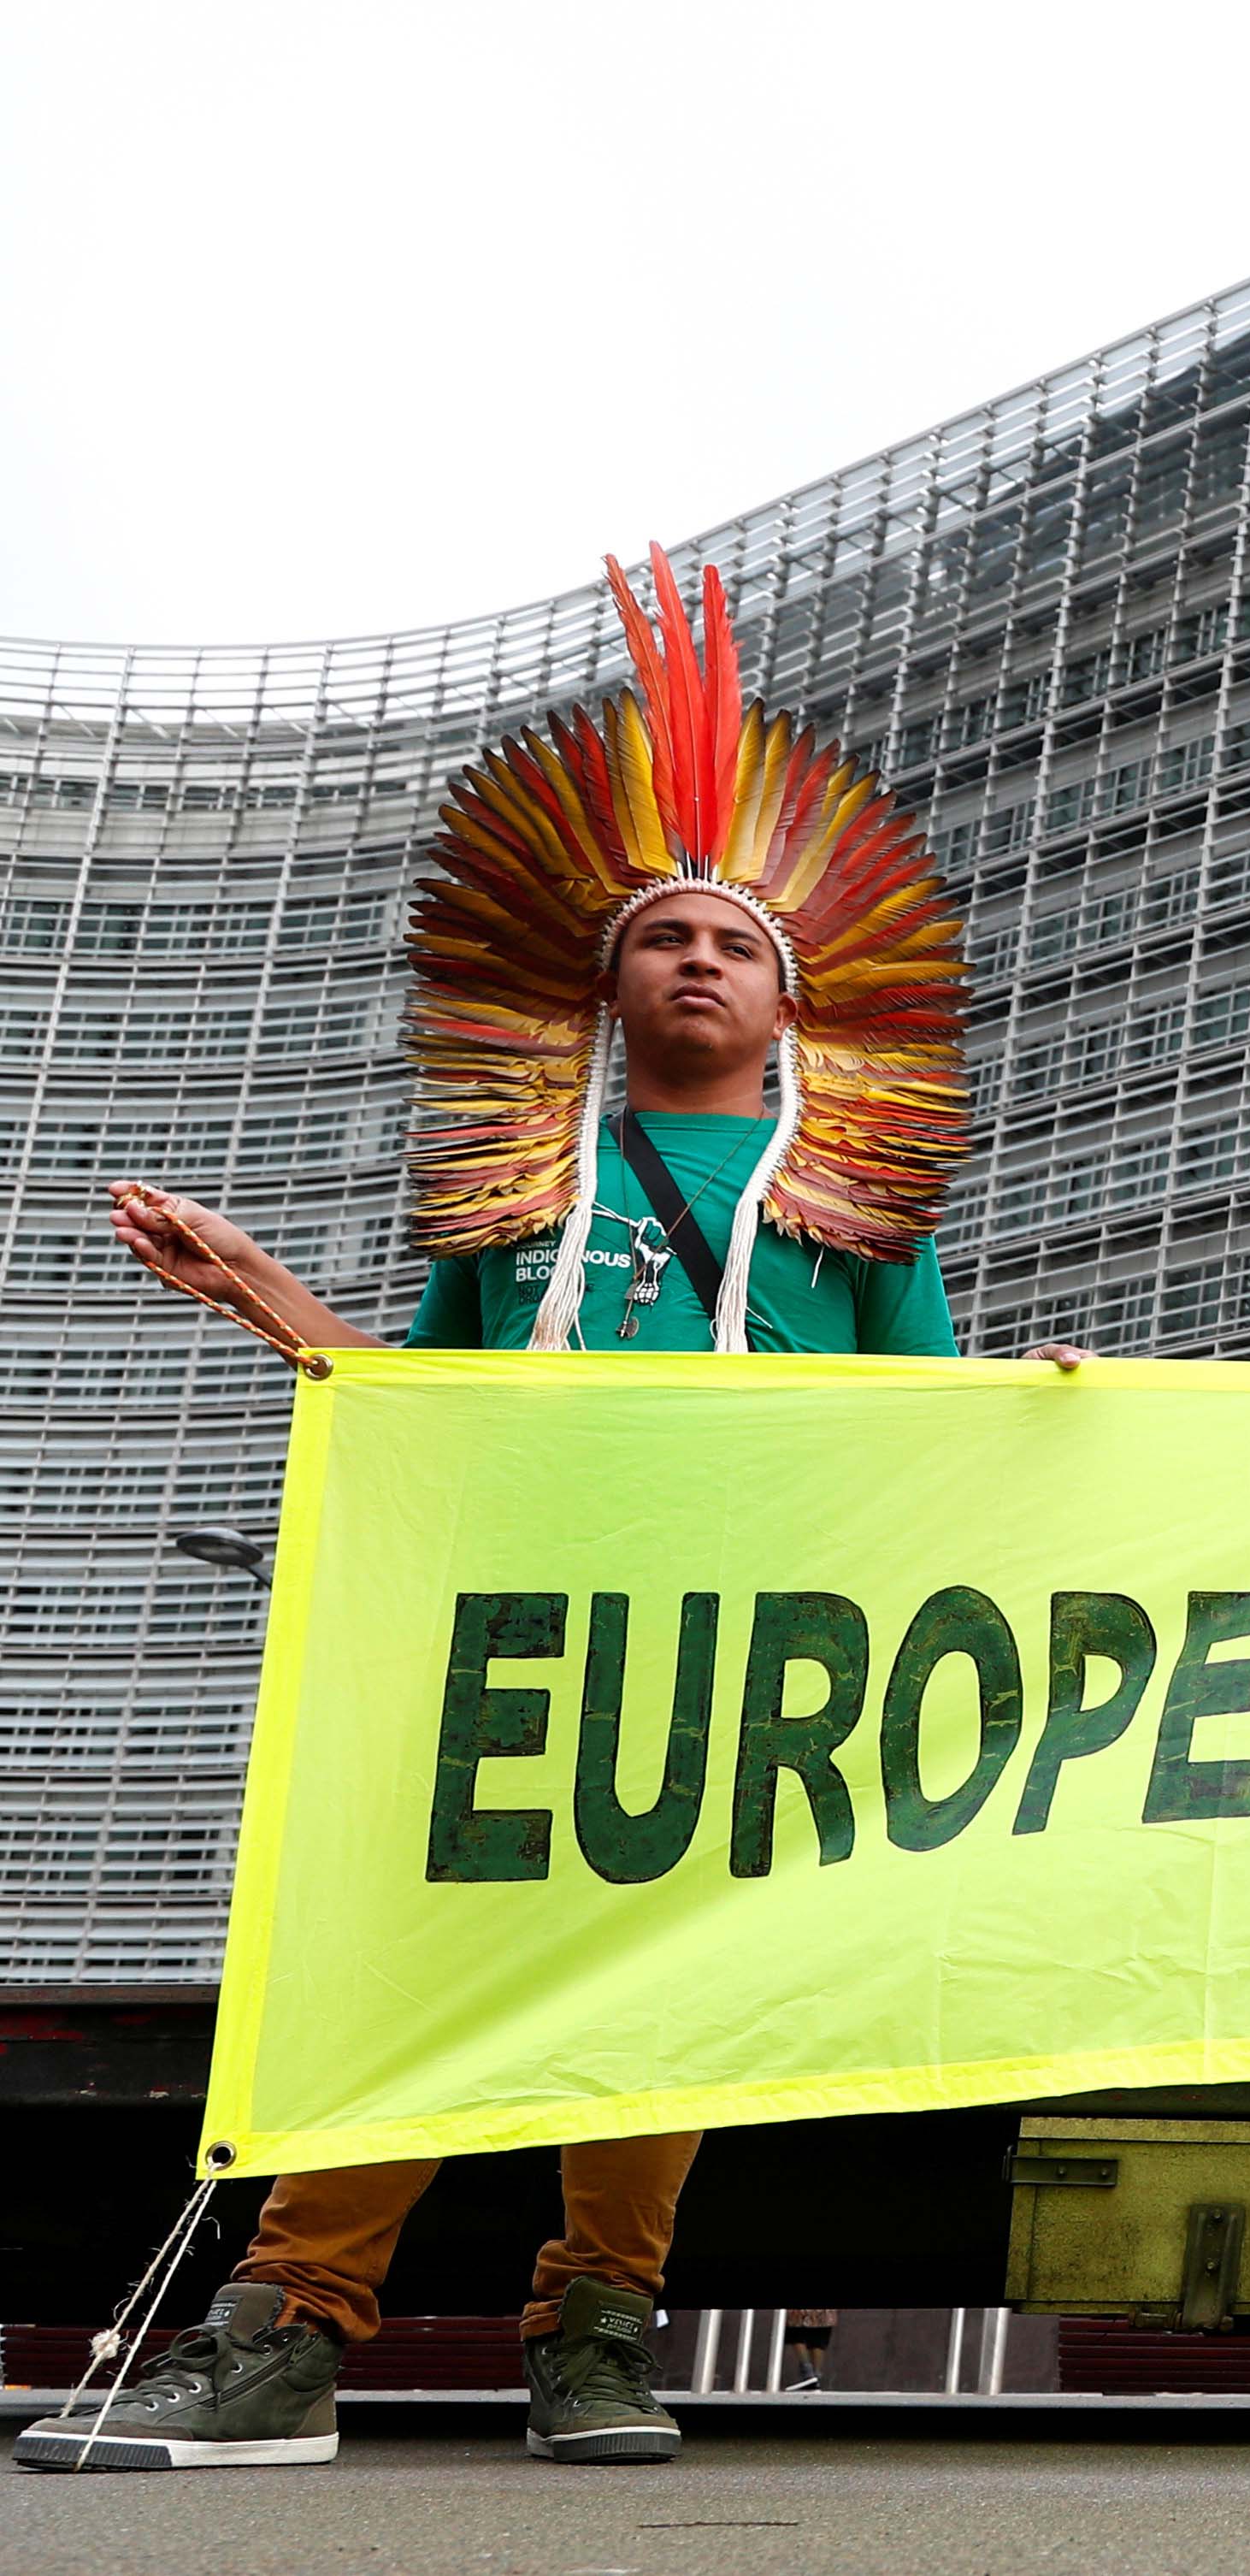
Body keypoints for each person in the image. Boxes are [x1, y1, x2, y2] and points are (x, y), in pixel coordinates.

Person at [18, 549, 1032, 2477]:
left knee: (650, 1995)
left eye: (732, 943)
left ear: (792, 997)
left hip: (729, 1644)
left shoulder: (860, 1211)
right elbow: (416, 1419)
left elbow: (935, 1433)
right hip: (516, 1631)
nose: (697, 961)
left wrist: (1056, 1421)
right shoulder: (510, 1197)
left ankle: (596, 2336)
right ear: (607, 987)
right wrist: (258, 1293)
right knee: (414, 1960)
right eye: (663, 939)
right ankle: (284, 2336)